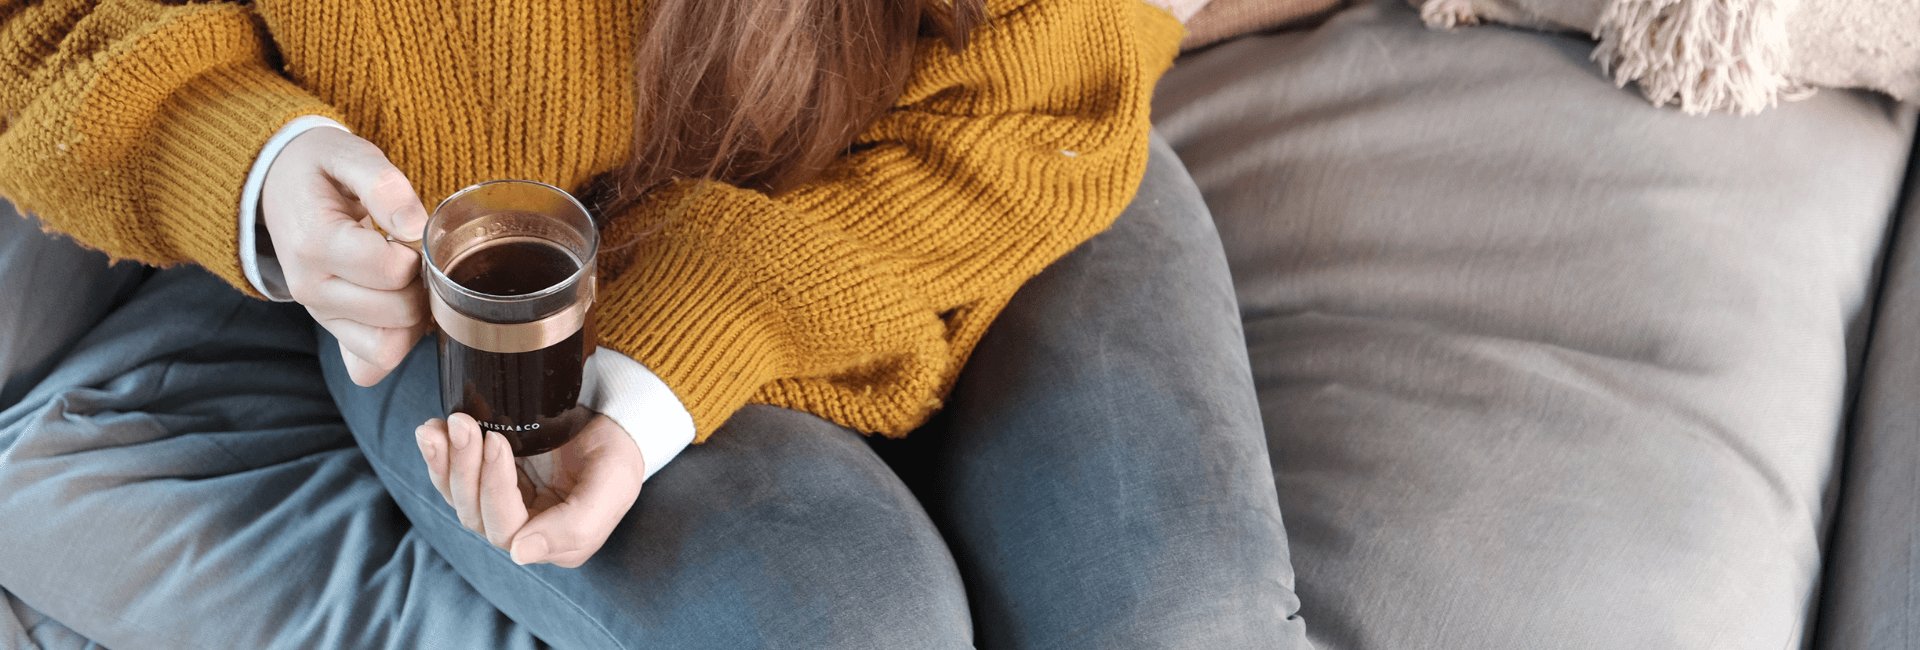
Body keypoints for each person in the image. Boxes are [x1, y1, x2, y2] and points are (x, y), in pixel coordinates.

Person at [0, 0, 1306, 648]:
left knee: (1190, 620)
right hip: (493, 276)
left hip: (982, 166)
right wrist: (245, 160)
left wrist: (707, 320)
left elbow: (1054, 73)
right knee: (850, 626)